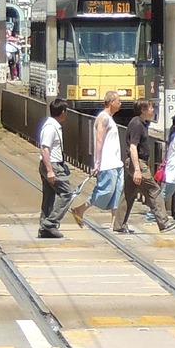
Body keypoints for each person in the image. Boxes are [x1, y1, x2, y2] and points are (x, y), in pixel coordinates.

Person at [116, 101, 174, 234]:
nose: (153, 110)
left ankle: (119, 224)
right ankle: (163, 222)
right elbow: (133, 147)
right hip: (137, 163)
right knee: (154, 190)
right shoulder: (137, 124)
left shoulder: (141, 123)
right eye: (150, 108)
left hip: (135, 163)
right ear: (143, 109)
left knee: (128, 193)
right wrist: (137, 169)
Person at [77, 91, 125, 230]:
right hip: (107, 163)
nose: (120, 103)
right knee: (105, 191)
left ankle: (115, 222)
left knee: (117, 192)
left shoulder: (110, 118)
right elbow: (99, 140)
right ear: (111, 102)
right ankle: (80, 209)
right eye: (118, 101)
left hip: (116, 162)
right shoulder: (103, 118)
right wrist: (97, 163)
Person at [36, 99, 72, 238]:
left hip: (53, 164)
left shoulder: (53, 125)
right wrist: (50, 170)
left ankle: (44, 228)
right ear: (63, 112)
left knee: (49, 197)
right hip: (52, 165)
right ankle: (50, 224)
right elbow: (45, 149)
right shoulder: (50, 128)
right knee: (67, 193)